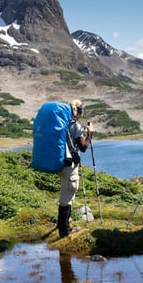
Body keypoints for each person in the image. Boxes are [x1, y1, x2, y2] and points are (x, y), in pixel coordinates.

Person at [57, 99, 94, 238]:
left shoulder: (63, 124)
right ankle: (64, 230)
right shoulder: (76, 126)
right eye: (81, 110)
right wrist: (90, 134)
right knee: (67, 196)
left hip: (61, 163)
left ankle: (64, 223)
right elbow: (83, 147)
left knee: (65, 192)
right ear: (77, 111)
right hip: (70, 165)